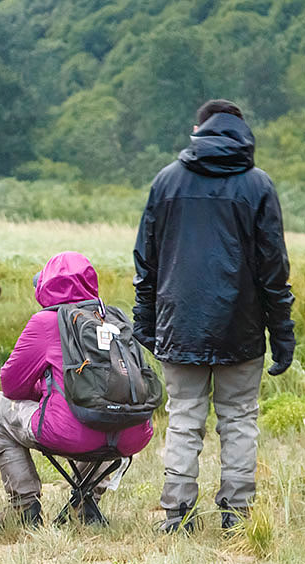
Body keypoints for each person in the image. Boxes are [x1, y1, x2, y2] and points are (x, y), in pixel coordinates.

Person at [133, 99, 296, 533]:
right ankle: (237, 514)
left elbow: (145, 261)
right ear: (243, 134)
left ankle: (178, 513)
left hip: (179, 321)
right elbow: (273, 270)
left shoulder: (166, 181)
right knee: (239, 417)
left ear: (197, 130)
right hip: (241, 327)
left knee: (184, 416)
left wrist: (144, 322)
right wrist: (282, 334)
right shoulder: (258, 186)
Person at [0, 252, 153, 530]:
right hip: (132, 432)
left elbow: (11, 385)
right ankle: (85, 503)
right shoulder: (113, 318)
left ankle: (24, 506)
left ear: (46, 288)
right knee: (108, 414)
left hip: (70, 433)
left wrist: (47, 388)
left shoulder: (45, 322)